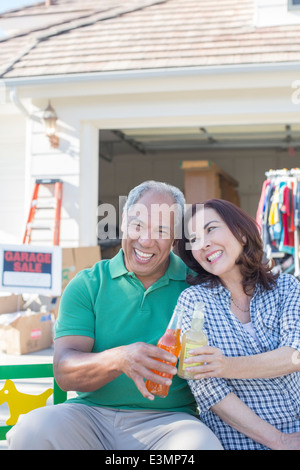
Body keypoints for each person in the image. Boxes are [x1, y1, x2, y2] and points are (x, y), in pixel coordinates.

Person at [7, 181, 222, 450]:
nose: (146, 240)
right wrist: (120, 359)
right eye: (138, 225)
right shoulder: (88, 284)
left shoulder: (197, 286)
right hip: (90, 417)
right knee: (32, 431)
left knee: (200, 446)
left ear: (175, 238)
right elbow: (64, 370)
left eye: (161, 230)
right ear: (123, 223)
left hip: (170, 423)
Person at [176, 198, 300, 451]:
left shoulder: (287, 287)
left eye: (210, 229)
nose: (204, 243)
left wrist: (226, 365)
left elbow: (294, 356)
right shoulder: (193, 301)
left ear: (242, 234)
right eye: (194, 240)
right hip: (240, 440)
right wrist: (280, 441)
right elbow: (206, 388)